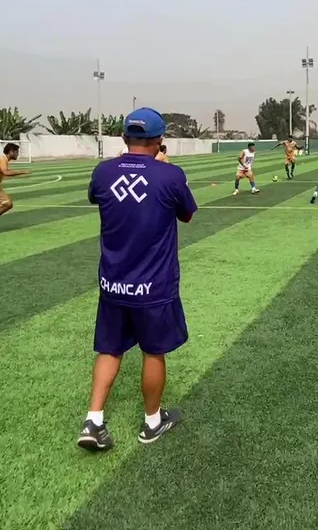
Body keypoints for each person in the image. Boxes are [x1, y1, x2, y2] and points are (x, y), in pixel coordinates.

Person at [78, 108, 198, 451]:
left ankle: (93, 420)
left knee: (109, 348)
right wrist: (161, 167)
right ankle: (152, 423)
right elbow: (187, 215)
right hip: (154, 284)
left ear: (123, 137)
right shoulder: (170, 175)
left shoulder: (103, 172)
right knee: (153, 351)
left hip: (113, 282)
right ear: (160, 140)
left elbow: (96, 196)